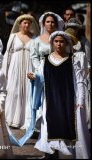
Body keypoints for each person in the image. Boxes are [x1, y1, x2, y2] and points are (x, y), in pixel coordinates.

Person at [27, 31, 91, 159]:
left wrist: (80, 99)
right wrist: (33, 76)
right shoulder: (46, 60)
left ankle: (73, 153)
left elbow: (80, 81)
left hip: (69, 100)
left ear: (66, 43)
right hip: (51, 99)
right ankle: (51, 153)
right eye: (56, 41)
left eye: (61, 41)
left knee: (72, 125)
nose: (58, 44)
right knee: (50, 124)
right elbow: (40, 75)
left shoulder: (72, 60)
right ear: (52, 43)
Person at [27, 12, 64, 131]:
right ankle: (41, 125)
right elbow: (34, 57)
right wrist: (40, 69)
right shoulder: (37, 40)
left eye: (52, 22)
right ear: (43, 23)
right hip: (42, 72)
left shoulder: (59, 39)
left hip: (58, 70)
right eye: (48, 22)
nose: (50, 24)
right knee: (43, 97)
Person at [1, 14, 39, 129]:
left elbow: (36, 55)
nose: (26, 25)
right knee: (13, 91)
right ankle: (11, 119)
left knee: (28, 92)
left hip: (29, 67)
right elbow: (8, 54)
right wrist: (5, 72)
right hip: (14, 67)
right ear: (20, 24)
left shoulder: (34, 38)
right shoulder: (13, 36)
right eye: (24, 23)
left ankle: (26, 121)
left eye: (28, 23)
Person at [64, 18, 91, 131]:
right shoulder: (63, 39)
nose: (73, 30)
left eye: (75, 28)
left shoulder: (84, 41)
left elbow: (88, 59)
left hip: (81, 70)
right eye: (71, 28)